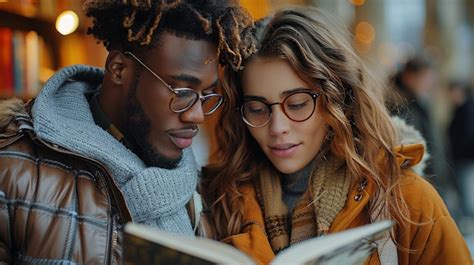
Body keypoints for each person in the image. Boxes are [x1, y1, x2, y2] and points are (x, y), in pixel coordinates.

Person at [201, 7, 472, 265]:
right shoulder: (223, 201)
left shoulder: (407, 200)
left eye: (297, 104)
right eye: (257, 109)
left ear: (338, 100)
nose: (277, 127)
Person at [0, 0, 255, 264]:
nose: (197, 115)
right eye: (181, 92)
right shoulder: (12, 171)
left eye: (207, 95)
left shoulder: (204, 191)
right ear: (119, 69)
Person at [447, 80, 474, 218]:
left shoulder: (467, 109)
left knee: (466, 193)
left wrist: (457, 151)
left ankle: (468, 221)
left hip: (464, 158)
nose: (450, 96)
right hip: (461, 158)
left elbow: (467, 135)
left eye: (452, 92)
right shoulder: (460, 108)